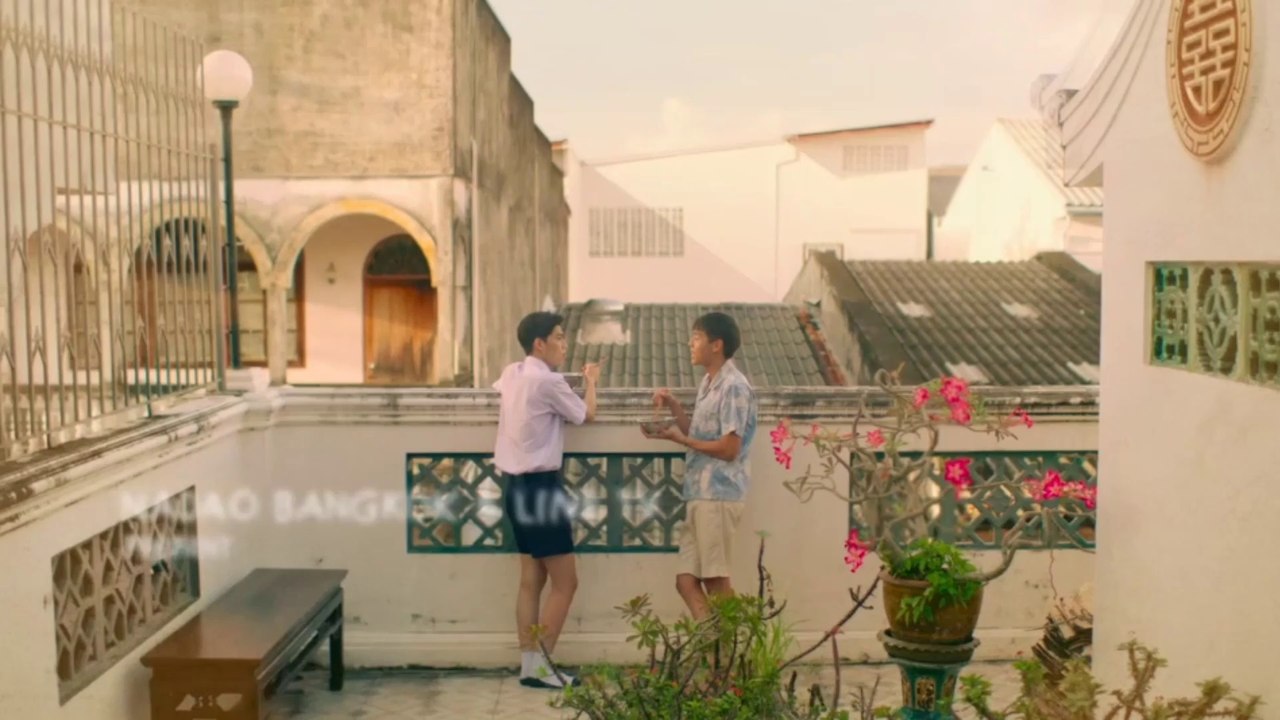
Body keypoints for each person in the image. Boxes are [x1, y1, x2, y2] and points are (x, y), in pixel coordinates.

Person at [493, 311, 600, 689]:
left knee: (531, 580)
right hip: (541, 489)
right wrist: (590, 382)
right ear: (539, 344)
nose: (564, 344)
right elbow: (586, 414)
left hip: (514, 488)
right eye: (558, 337)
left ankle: (529, 665)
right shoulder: (549, 382)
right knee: (566, 583)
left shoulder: (512, 373)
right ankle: (542, 667)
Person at [644, 311, 757, 620]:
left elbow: (729, 448)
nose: (690, 344)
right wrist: (674, 408)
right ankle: (713, 643)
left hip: (718, 494)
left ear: (716, 344)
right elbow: (699, 433)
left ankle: (733, 647)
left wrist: (681, 439)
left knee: (715, 580)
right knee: (686, 580)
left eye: (696, 338)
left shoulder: (734, 386)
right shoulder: (709, 382)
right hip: (699, 493)